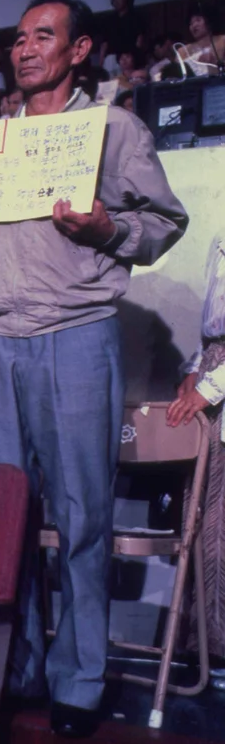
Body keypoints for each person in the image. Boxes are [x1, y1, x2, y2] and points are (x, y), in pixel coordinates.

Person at [0, 0, 188, 739]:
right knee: (2, 516)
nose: (23, 50)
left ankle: (79, 680)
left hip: (79, 333)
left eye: (42, 37)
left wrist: (106, 224)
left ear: (79, 50)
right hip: (1, 341)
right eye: (18, 39)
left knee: (83, 515)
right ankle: (14, 668)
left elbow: (163, 223)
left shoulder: (112, 128)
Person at [169, 230, 225, 663]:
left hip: (218, 386)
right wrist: (195, 368)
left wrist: (209, 387)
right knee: (201, 515)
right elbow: (214, 327)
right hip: (212, 372)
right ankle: (202, 646)